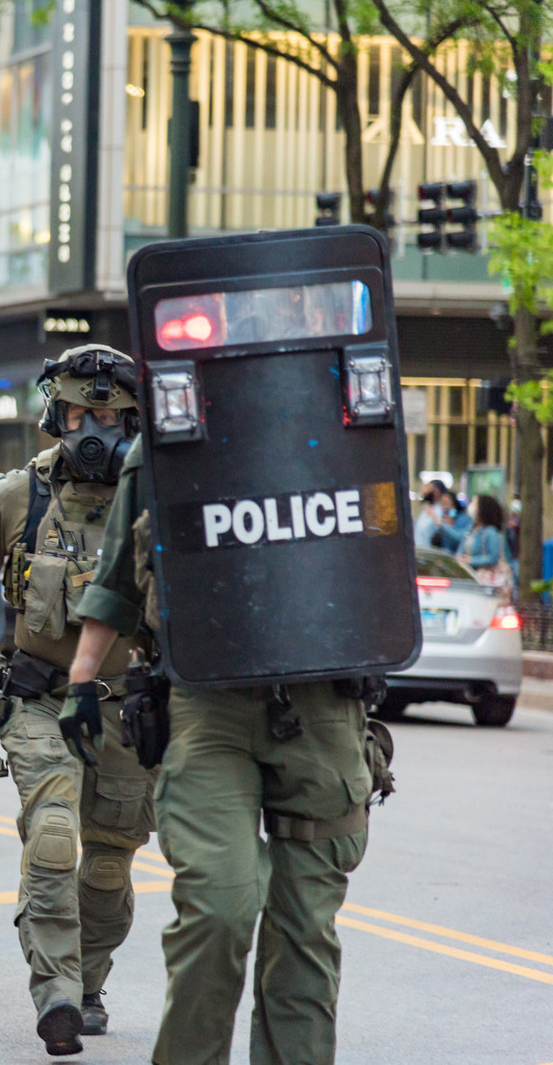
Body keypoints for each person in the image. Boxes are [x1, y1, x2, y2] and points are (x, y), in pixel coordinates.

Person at [68, 434, 374, 1065]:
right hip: (209, 700)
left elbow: (383, 548)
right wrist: (80, 681)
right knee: (217, 908)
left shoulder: (343, 424)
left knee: (304, 934)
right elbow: (119, 577)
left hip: (322, 702)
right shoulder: (165, 441)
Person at [0, 346, 156, 1055]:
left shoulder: (160, 496)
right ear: (57, 414)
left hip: (128, 715)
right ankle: (55, 995)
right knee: (51, 841)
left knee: (106, 870)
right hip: (41, 702)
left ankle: (87, 983)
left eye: (110, 413)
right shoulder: (20, 496)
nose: (96, 427)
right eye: (83, 411)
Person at [457, 494, 508, 584]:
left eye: (474, 503)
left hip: (485, 579)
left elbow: (493, 558)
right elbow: (460, 545)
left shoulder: (490, 532)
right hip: (472, 576)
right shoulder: (472, 529)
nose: (471, 506)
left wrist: (471, 560)